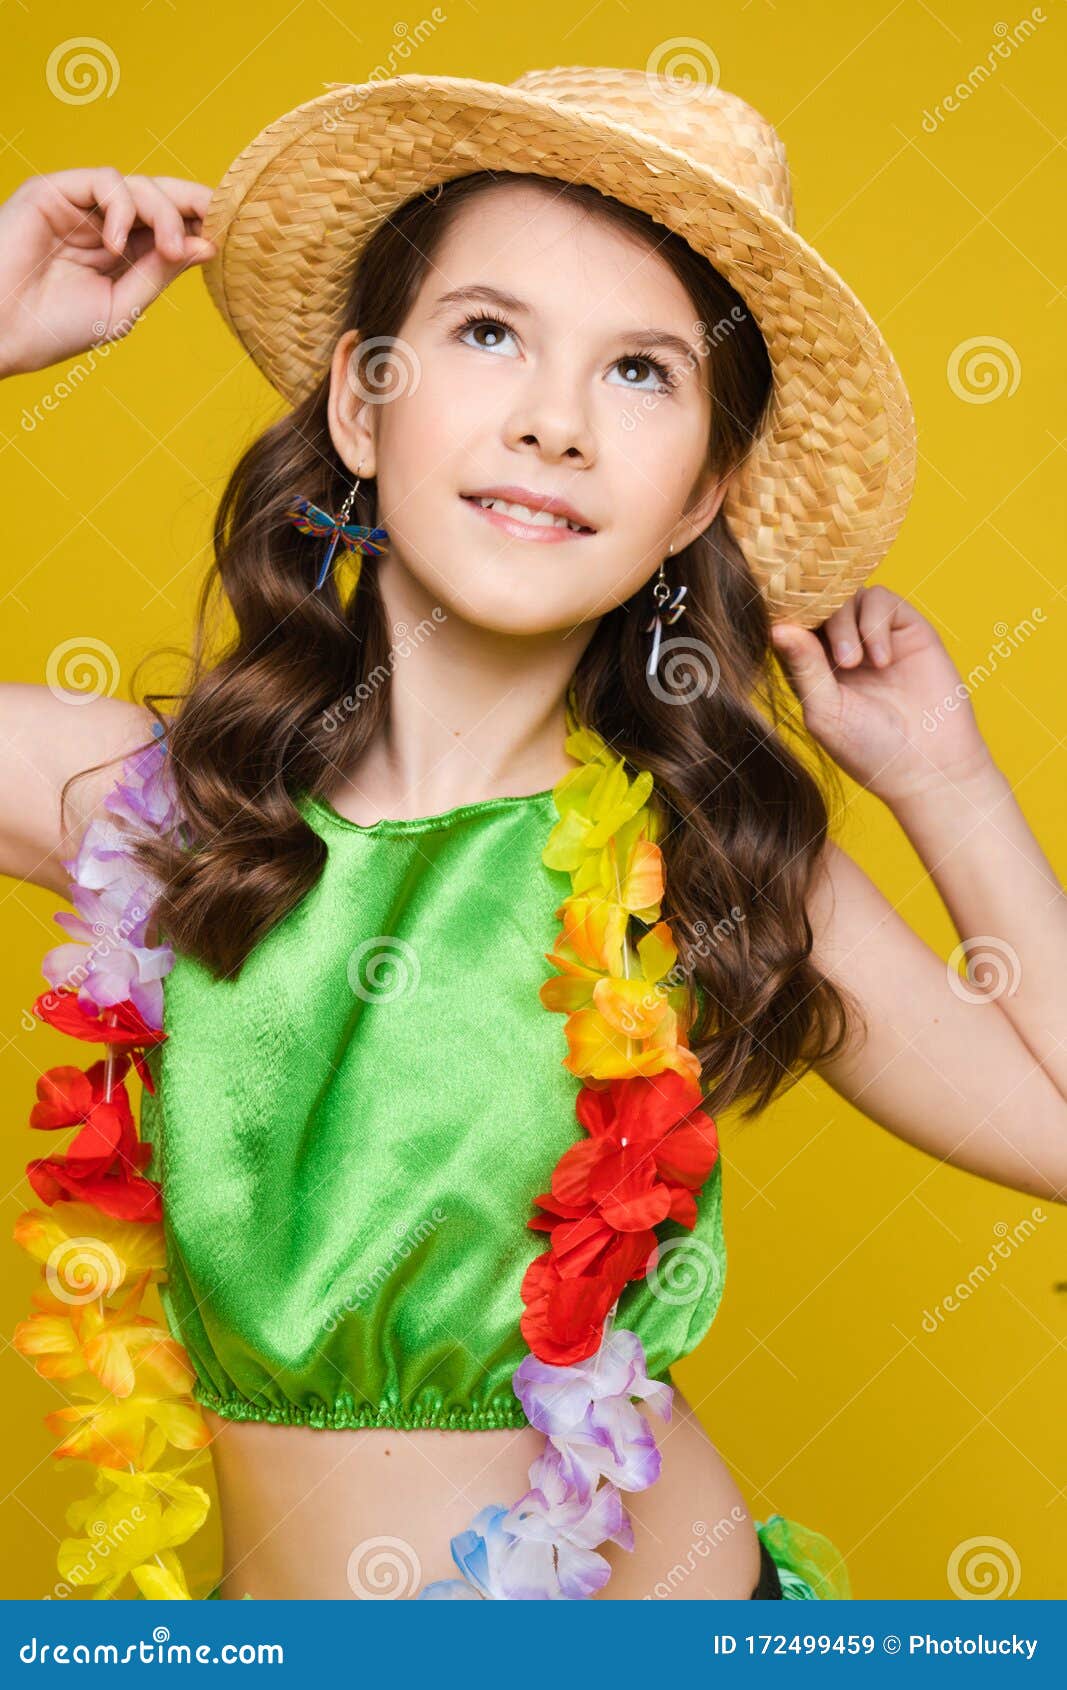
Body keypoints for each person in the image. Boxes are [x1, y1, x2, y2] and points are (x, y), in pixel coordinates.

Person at [2, 66, 1064, 1604]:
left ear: (700, 492)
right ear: (365, 402)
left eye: (641, 373)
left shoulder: (696, 856)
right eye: (489, 333)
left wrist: (948, 783)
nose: (555, 422)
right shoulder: (150, 813)